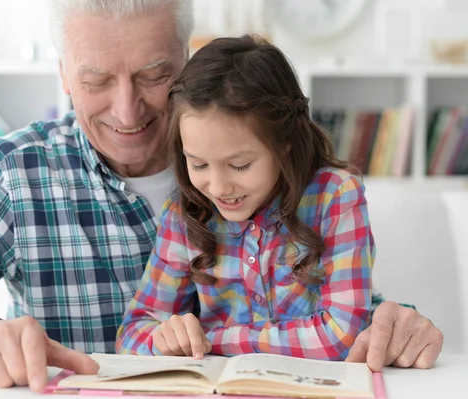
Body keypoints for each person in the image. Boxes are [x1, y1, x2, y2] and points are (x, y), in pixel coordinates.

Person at [0, 0, 443, 393]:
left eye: (153, 74)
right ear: (64, 74)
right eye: (96, 80)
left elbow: (322, 300)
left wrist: (397, 323)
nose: (128, 110)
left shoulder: (268, 169)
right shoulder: (15, 172)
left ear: (190, 61)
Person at [116, 35, 374, 360]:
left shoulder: (335, 196)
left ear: (284, 143)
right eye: (199, 164)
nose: (219, 187)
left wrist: (217, 340)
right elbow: (132, 334)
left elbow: (342, 335)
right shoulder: (184, 216)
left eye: (240, 165)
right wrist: (164, 339)